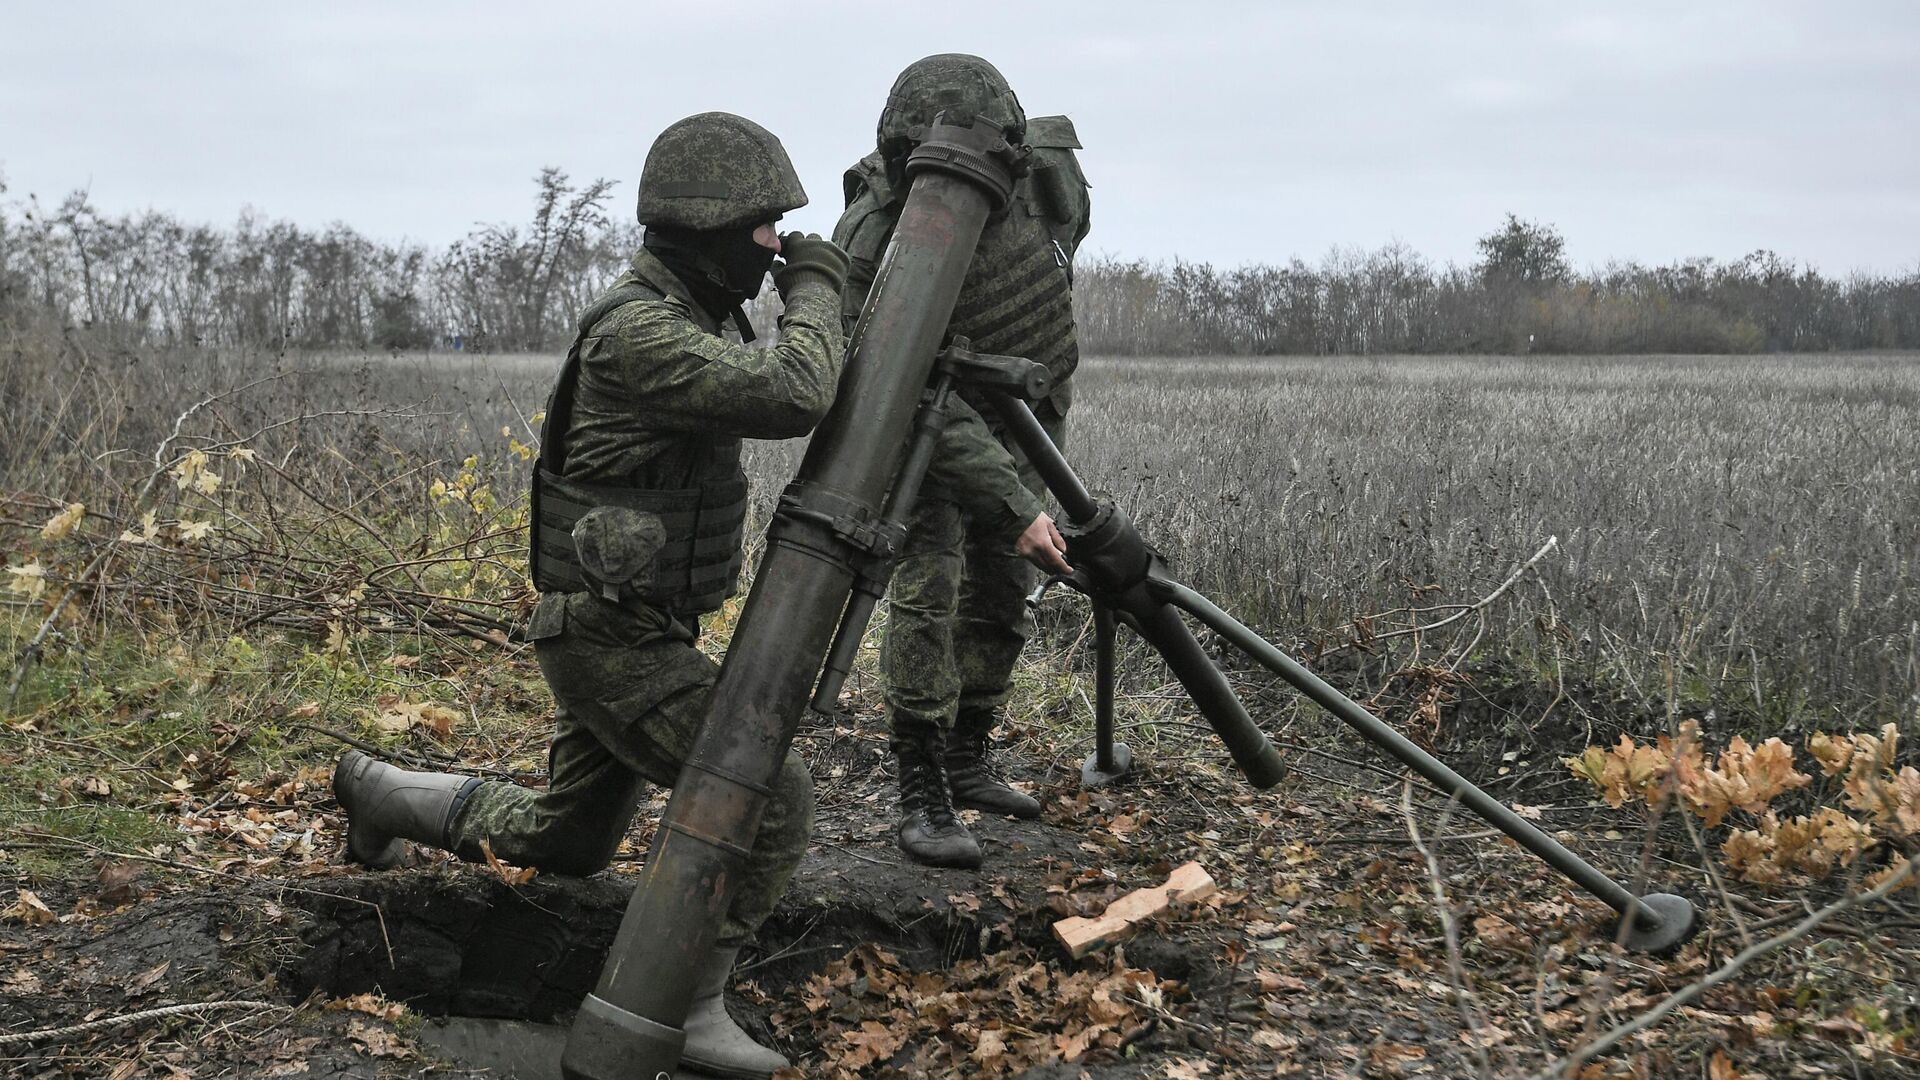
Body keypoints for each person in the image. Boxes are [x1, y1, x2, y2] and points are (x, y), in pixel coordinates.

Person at [332, 111, 849, 1080]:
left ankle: (377, 794)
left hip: (623, 628)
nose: (776, 245)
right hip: (608, 639)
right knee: (771, 796)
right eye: (765, 228)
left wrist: (824, 282)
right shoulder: (642, 335)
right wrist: (818, 289)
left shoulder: (687, 315)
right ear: (708, 230)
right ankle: (686, 1006)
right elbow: (796, 392)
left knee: (567, 839)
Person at [833, 54, 1092, 870]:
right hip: (922, 439)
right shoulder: (875, 234)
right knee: (928, 594)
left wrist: (1023, 489)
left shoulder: (1048, 185)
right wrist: (1014, 508)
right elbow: (892, 386)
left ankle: (969, 757)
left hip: (1022, 422)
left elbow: (1047, 280)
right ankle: (921, 790)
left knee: (1002, 592)